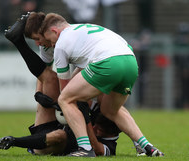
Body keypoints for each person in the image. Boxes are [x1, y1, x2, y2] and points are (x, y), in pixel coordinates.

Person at [39, 12, 164, 157]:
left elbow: (65, 89)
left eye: (50, 40)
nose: (52, 44)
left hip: (108, 63)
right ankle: (147, 147)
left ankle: (85, 148)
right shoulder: (86, 27)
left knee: (65, 99)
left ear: (54, 31)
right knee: (110, 110)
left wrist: (69, 111)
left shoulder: (61, 44)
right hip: (130, 62)